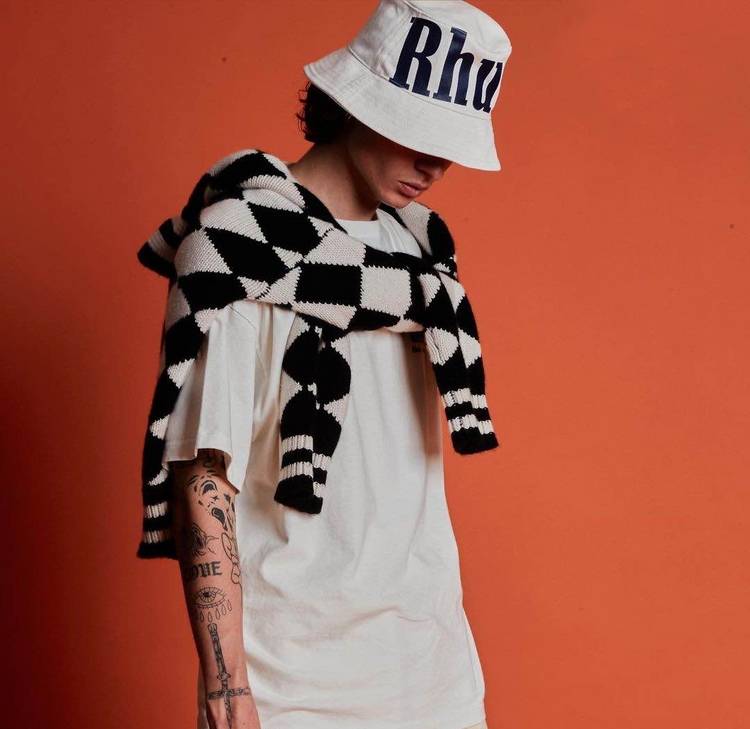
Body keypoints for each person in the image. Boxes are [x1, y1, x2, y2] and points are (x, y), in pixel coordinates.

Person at [154, 1, 512, 727]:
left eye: (450, 144)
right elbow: (205, 473)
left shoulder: (422, 256)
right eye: (419, 133)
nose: (437, 164)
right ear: (355, 102)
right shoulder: (241, 248)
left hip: (433, 668)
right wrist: (226, 686)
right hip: (295, 685)